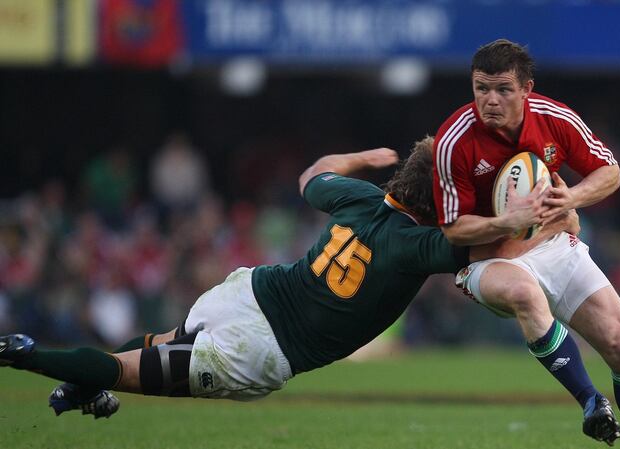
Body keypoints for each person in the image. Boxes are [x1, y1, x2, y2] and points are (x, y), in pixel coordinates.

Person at [0, 138, 576, 420]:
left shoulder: (361, 199)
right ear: (440, 205)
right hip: (259, 349)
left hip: (246, 291)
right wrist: (547, 213)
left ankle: (78, 390)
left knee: (155, 348)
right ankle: (22, 354)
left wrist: (366, 155)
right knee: (125, 369)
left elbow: (311, 175)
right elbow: (495, 243)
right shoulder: (420, 245)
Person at [432, 39, 620, 449]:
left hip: (554, 245)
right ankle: (591, 400)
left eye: (503, 89)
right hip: (489, 262)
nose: (490, 100)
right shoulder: (455, 141)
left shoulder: (554, 119)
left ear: (527, 89)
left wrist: (570, 198)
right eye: (481, 88)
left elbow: (609, 173)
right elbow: (453, 230)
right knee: (524, 292)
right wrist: (508, 221)